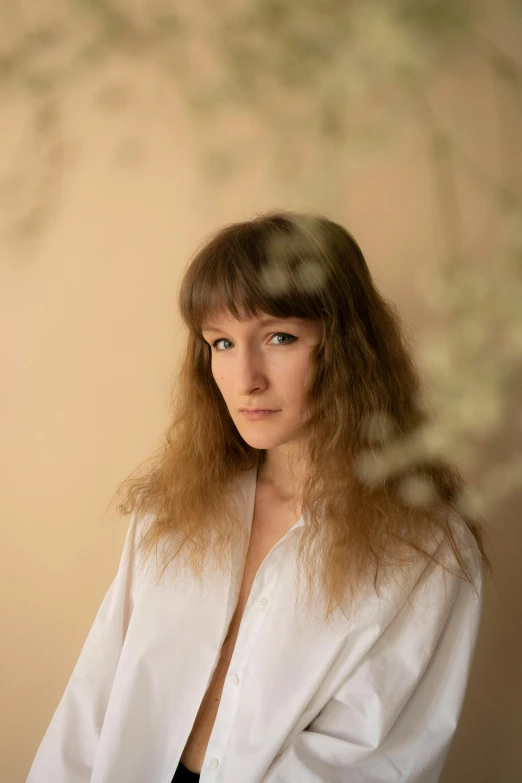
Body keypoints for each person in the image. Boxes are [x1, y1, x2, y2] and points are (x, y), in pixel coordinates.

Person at [27, 210, 491, 783]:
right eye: (221, 342)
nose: (245, 377)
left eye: (279, 337)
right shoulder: (174, 511)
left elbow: (373, 761)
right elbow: (93, 701)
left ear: (346, 348)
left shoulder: (425, 550)